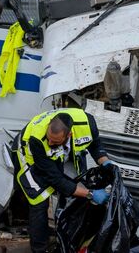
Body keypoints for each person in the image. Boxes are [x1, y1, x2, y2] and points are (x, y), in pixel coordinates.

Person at [12, 108, 115, 253]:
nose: (50, 142)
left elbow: (95, 145)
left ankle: (72, 242)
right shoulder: (38, 139)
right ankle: (40, 249)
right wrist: (90, 194)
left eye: (55, 141)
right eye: (49, 138)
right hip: (27, 156)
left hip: (58, 155)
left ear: (69, 135)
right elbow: (55, 179)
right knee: (39, 201)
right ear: (48, 127)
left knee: (77, 190)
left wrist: (106, 163)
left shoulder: (87, 123)